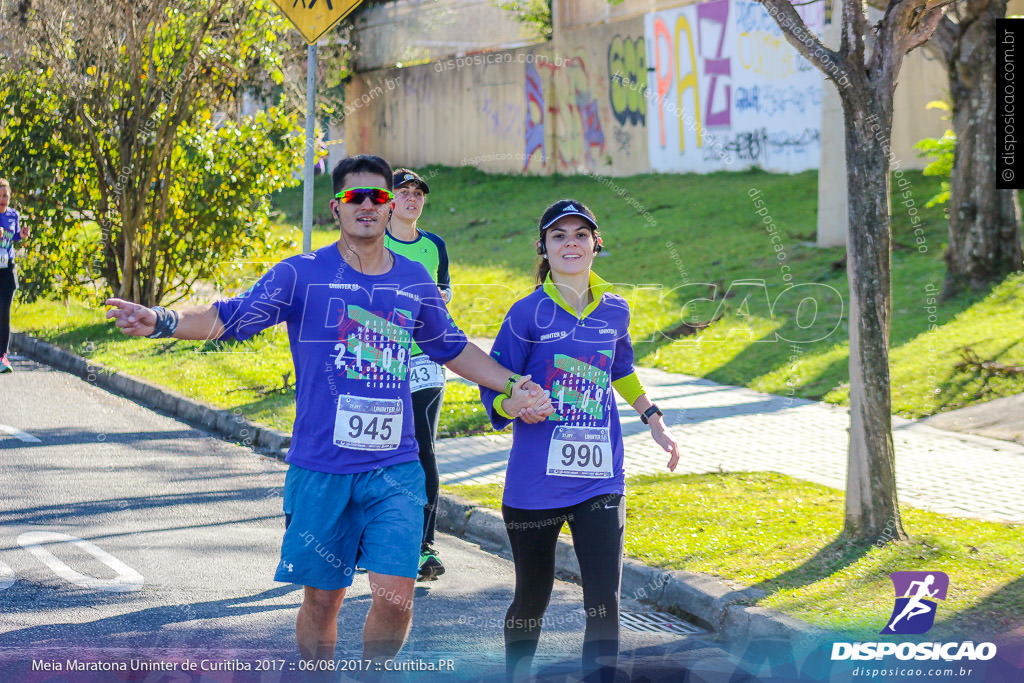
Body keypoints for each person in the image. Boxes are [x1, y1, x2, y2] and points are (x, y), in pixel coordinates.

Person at [104, 155, 553, 668]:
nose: (367, 206)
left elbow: (450, 346)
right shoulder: (303, 275)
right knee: (322, 601)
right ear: (335, 207)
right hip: (321, 467)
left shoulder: (413, 280)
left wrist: (513, 382)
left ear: (390, 209)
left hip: (395, 467)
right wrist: (161, 319)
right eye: (355, 197)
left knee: (395, 597)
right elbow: (228, 317)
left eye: (378, 197)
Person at [480, 199, 680, 683]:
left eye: (580, 235)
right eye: (559, 236)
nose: (571, 243)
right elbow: (493, 387)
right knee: (532, 597)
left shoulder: (615, 309)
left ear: (596, 244)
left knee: (603, 602)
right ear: (544, 249)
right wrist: (516, 405)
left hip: (600, 479)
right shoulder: (527, 312)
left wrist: (652, 417)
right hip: (535, 483)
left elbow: (622, 370)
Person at [384, 168, 451, 580]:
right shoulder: (374, 242)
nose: (412, 198)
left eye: (418, 192)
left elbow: (444, 296)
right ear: (389, 200)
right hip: (381, 361)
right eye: (403, 191)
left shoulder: (435, 246)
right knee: (381, 449)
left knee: (423, 447)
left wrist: (440, 302)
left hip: (424, 359)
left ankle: (424, 547)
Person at [0, 178, 29, 374]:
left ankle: (2, 356)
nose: (3, 199)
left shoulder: (13, 215)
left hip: (7, 267)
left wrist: (22, 234)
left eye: (6, 195)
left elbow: (15, 236)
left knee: (4, 313)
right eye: (0, 196)